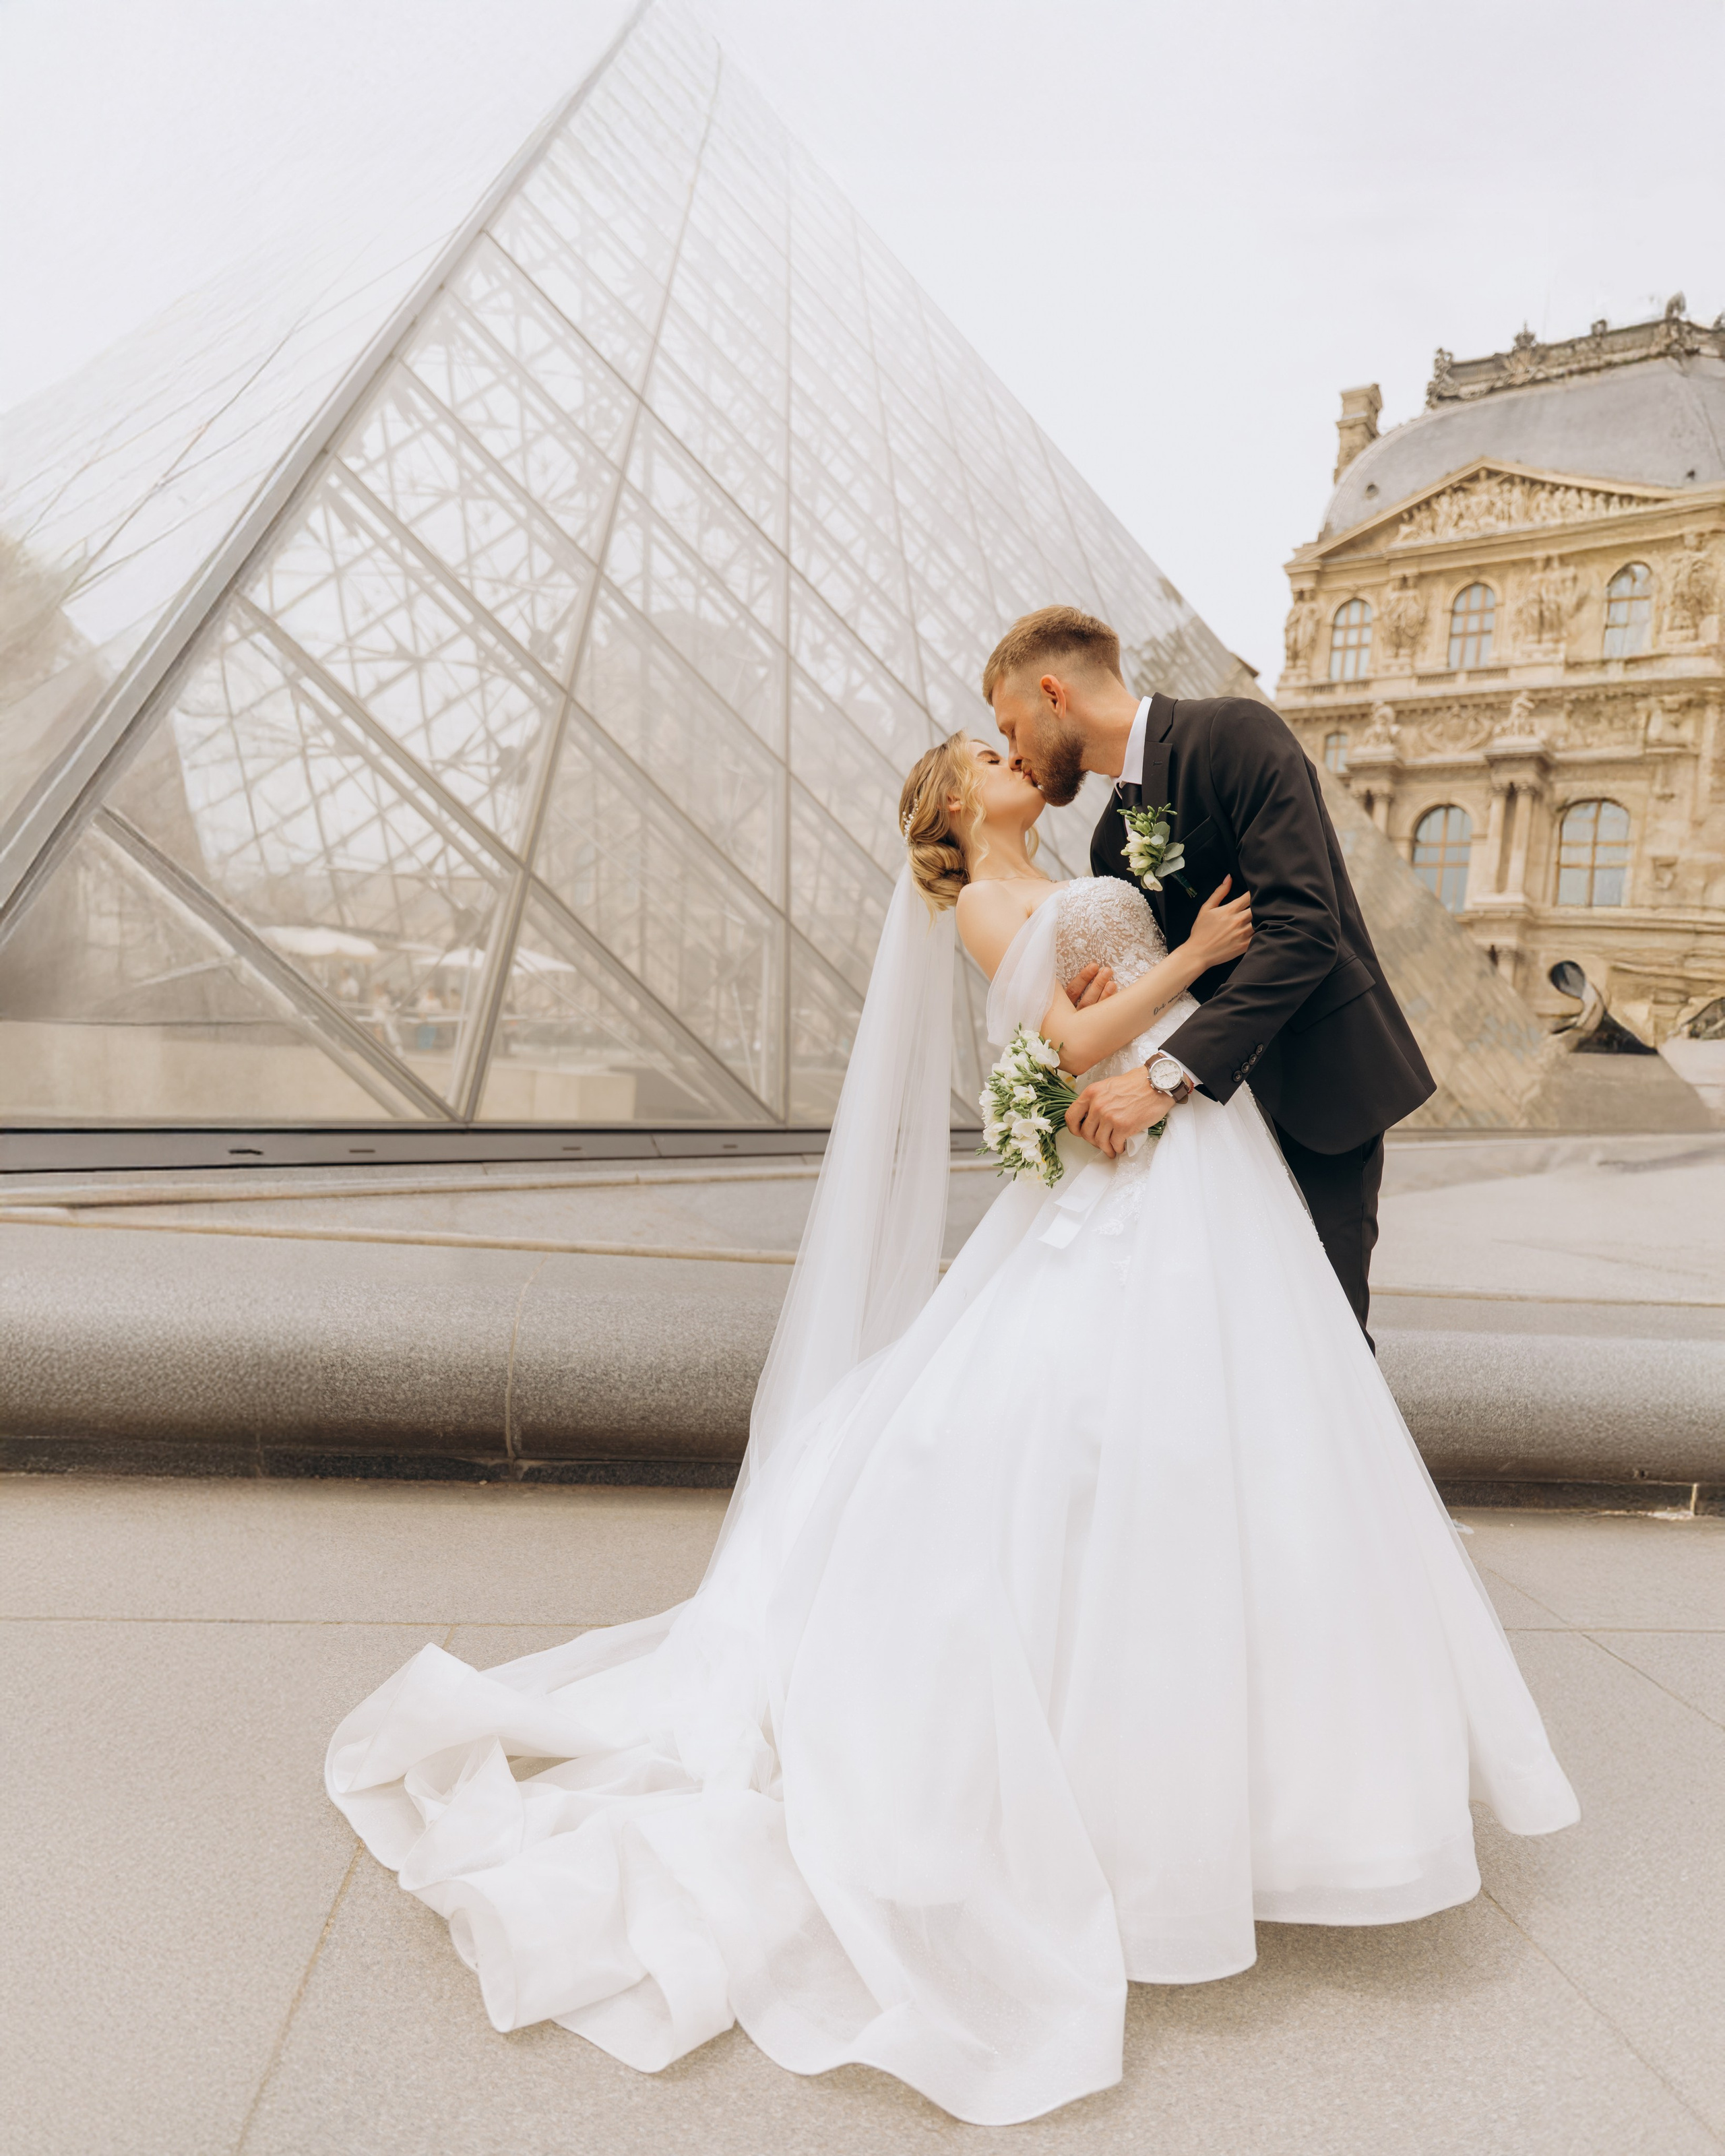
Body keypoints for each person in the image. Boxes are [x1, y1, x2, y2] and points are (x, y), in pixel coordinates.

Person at [325, 730, 1577, 2129]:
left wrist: (1167, 967)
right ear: (947, 803)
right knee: (1117, 1441)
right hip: (1138, 1144)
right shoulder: (983, 896)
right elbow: (1064, 1041)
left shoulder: (1071, 861)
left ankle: (1246, 1791)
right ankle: (1145, 1797)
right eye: (984, 750)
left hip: (1186, 1157)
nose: (1009, 754)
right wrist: (1186, 955)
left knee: (1220, 1444)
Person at [987, 604, 1433, 1337]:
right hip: (1210, 1126)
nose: (1013, 751)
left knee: (1320, 1334)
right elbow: (1164, 977)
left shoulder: (1234, 733)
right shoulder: (1109, 837)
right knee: (1224, 1336)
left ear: (1053, 695)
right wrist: (1097, 1009)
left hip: (1316, 1085)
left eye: (1011, 726)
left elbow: (1302, 929)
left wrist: (1163, 1076)